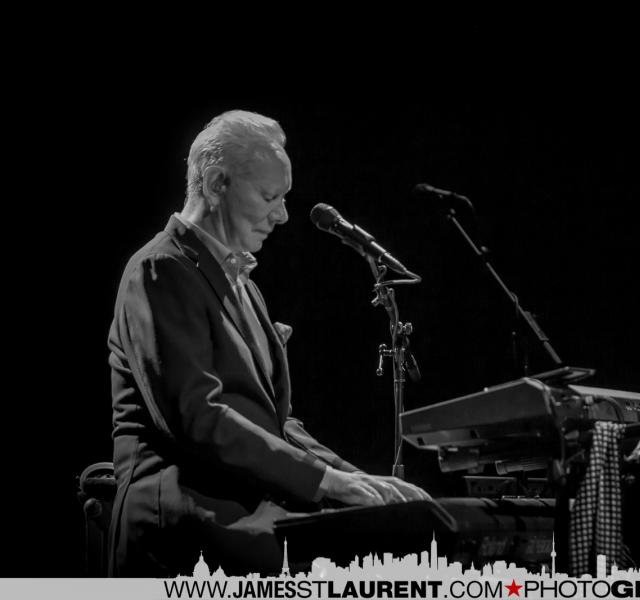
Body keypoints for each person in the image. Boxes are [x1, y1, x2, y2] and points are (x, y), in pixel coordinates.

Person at [107, 110, 429, 577]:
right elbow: (198, 417)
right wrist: (325, 482)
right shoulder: (159, 270)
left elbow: (280, 425)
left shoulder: (245, 286)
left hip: (243, 511)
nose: (282, 215)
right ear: (216, 184)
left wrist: (353, 477)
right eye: (269, 197)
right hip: (183, 524)